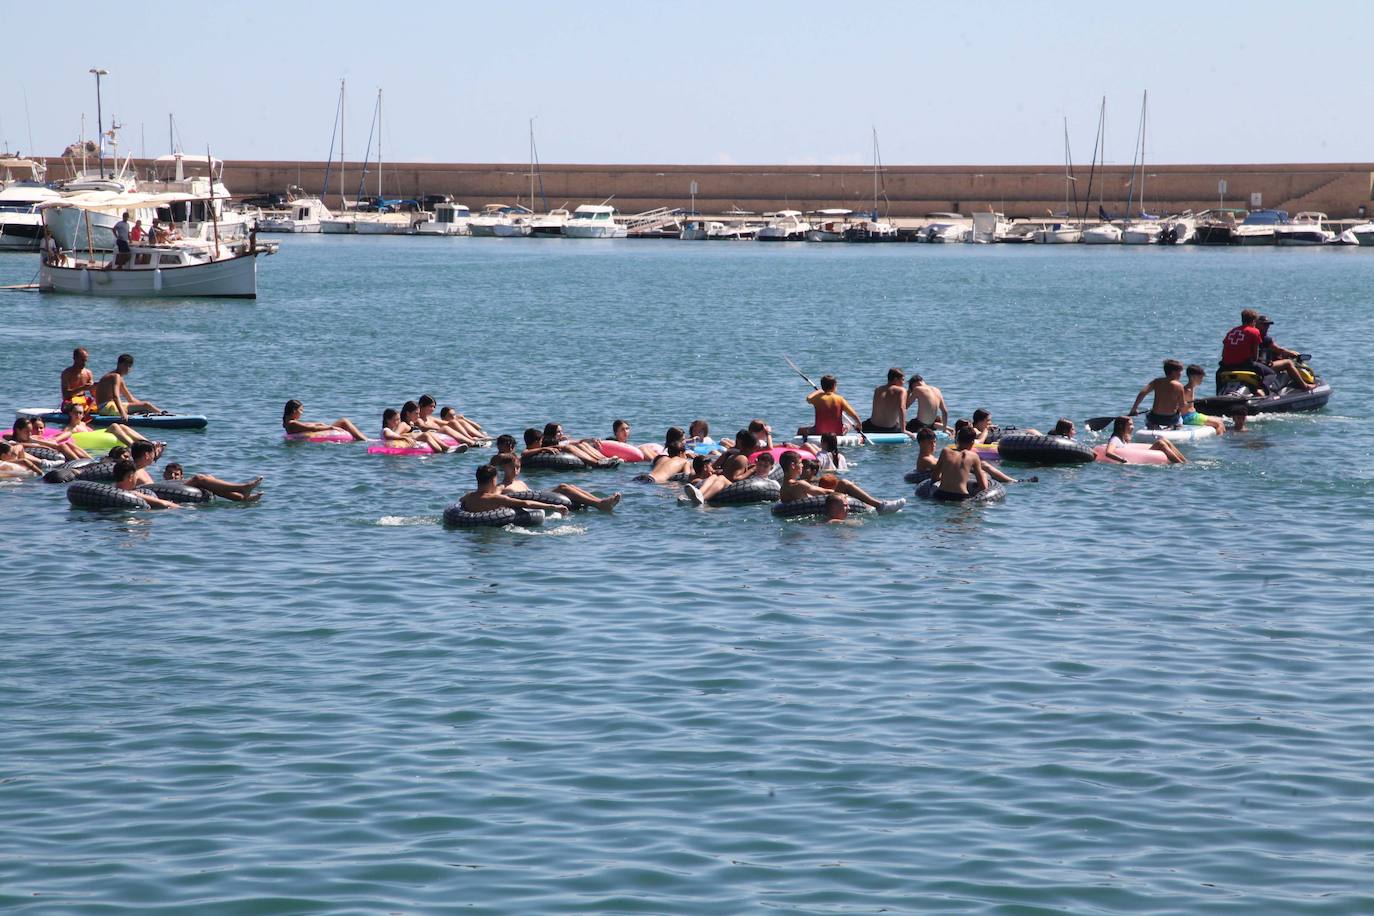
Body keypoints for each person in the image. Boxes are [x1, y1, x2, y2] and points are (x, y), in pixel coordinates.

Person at [490, 452, 620, 511]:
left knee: (570, 486)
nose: (516, 470)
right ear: (503, 469)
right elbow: (492, 498)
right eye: (512, 468)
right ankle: (599, 504)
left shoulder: (520, 483)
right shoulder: (501, 487)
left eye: (518, 467)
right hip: (533, 503)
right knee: (563, 487)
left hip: (537, 497)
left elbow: (532, 493)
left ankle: (599, 501)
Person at [458, 463, 568, 516]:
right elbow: (526, 503)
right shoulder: (496, 499)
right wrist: (554, 506)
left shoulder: (467, 497)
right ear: (493, 480)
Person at [1219, 308, 1279, 393]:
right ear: (1254, 321)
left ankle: (1219, 394)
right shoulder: (1254, 332)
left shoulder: (1231, 332)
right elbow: (1255, 356)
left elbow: (1223, 353)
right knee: (1271, 373)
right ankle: (1262, 391)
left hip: (1226, 366)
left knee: (1218, 375)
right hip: (1244, 365)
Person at [1255, 315, 1315, 392]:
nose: (1267, 327)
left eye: (1268, 325)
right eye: (1264, 324)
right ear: (1256, 324)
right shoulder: (1265, 339)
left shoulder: (1249, 336)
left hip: (1250, 365)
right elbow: (1279, 350)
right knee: (1288, 363)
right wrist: (1292, 353)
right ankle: (1305, 386)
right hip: (1262, 367)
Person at [931, 426, 991, 500]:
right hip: (960, 496)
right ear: (972, 443)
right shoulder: (974, 456)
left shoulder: (945, 451)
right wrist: (984, 476)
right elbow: (983, 487)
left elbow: (934, 476)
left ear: (957, 440)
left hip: (941, 494)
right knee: (983, 474)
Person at [94, 354, 163, 419]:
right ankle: (164, 416)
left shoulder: (117, 377)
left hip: (106, 408)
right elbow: (116, 396)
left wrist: (141, 405)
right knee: (146, 405)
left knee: (145, 406)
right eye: (126, 366)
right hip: (107, 408)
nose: (128, 369)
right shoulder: (115, 376)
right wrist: (122, 413)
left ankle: (163, 415)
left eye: (130, 366)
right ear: (119, 365)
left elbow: (130, 399)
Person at [1129, 359, 1189, 429]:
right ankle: (1173, 426)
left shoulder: (1156, 382)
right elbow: (1182, 405)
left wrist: (1134, 409)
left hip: (1156, 417)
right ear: (1173, 372)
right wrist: (1184, 403)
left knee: (1148, 415)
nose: (1181, 374)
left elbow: (1142, 393)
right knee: (1180, 418)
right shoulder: (1179, 386)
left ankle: (1153, 425)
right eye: (1180, 371)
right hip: (1171, 418)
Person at [797, 375, 862, 439]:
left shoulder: (817, 398)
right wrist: (859, 424)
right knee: (848, 425)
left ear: (822, 387)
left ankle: (798, 445)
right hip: (837, 432)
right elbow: (853, 415)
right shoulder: (840, 399)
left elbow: (808, 398)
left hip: (819, 432)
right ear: (834, 386)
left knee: (800, 430)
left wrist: (818, 391)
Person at [61, 401, 150, 447]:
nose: (78, 415)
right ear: (70, 413)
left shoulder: (83, 424)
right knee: (114, 426)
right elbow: (63, 437)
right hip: (92, 439)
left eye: (80, 413)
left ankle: (148, 443)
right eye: (75, 412)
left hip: (95, 436)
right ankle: (133, 446)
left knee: (122, 426)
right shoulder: (70, 428)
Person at [162, 462, 263, 502]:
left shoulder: (184, 482)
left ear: (181, 476)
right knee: (199, 478)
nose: (172, 476)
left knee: (209, 478)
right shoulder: (160, 485)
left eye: (176, 474)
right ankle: (242, 488)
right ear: (164, 475)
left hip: (184, 490)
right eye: (170, 473)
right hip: (173, 494)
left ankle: (241, 497)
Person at [1102, 416, 1186, 464]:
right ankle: (1179, 463)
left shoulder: (1122, 437)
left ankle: (1184, 461)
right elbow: (1108, 452)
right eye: (1130, 425)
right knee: (1161, 443)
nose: (1133, 427)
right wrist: (1122, 460)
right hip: (1132, 457)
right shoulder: (1115, 439)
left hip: (1135, 454)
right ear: (1121, 427)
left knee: (1164, 440)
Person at [5, 416, 88, 462]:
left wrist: (54, 440)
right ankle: (79, 462)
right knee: (62, 446)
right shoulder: (14, 441)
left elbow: (68, 433)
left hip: (53, 448)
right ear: (18, 430)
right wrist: (42, 445)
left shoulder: (32, 437)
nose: (30, 434)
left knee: (68, 444)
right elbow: (10, 440)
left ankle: (90, 460)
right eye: (27, 431)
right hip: (50, 454)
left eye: (30, 431)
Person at [282, 399, 368, 441]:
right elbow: (312, 429)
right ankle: (365, 440)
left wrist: (319, 424)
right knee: (344, 421)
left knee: (342, 421)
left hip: (305, 435)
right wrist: (331, 428)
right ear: (294, 410)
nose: (301, 413)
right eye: (300, 411)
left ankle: (363, 438)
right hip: (311, 436)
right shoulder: (292, 423)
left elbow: (309, 426)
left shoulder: (289, 423)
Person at [382, 407, 459, 453]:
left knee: (427, 434)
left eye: (399, 419)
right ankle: (444, 450)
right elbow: (387, 435)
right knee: (425, 435)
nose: (399, 422)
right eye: (396, 420)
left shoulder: (394, 429)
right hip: (398, 444)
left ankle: (445, 448)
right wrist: (404, 437)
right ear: (388, 420)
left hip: (403, 441)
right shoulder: (386, 430)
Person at [413, 396, 481, 447]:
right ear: (422, 405)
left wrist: (461, 419)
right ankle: (471, 441)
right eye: (430, 406)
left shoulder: (430, 418)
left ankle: (478, 437)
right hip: (430, 436)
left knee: (454, 422)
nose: (433, 409)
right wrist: (439, 428)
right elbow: (423, 426)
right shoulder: (418, 419)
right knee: (445, 428)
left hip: (437, 435)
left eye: (434, 407)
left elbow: (449, 423)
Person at [112, 459, 180, 509]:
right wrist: (181, 508)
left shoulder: (111, 490)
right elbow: (163, 504)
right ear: (131, 476)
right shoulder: (133, 494)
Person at [863, 367, 912, 434]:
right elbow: (902, 408)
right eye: (902, 380)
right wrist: (903, 430)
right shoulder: (901, 390)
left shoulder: (878, 389)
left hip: (871, 427)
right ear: (895, 379)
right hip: (889, 429)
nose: (903, 383)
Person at [1181, 365, 1226, 436]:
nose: (1202, 380)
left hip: (1194, 415)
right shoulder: (1187, 390)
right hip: (1190, 417)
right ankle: (1219, 440)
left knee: (1220, 419)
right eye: (1200, 378)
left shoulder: (1191, 388)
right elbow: (1180, 406)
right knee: (1219, 423)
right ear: (1193, 377)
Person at [540, 422, 611, 467]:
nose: (561, 434)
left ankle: (604, 459)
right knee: (576, 445)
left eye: (561, 431)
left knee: (582, 444)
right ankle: (597, 462)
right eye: (558, 432)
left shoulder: (561, 441)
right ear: (551, 432)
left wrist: (591, 440)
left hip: (564, 447)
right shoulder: (548, 442)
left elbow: (579, 441)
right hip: (557, 454)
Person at [60, 347, 95, 411]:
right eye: (82, 360)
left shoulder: (88, 373)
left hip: (83, 400)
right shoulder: (66, 373)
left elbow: (93, 394)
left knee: (99, 406)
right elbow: (65, 395)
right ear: (75, 359)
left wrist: (96, 387)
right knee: (76, 407)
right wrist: (82, 388)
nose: (84, 363)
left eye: (85, 360)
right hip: (70, 400)